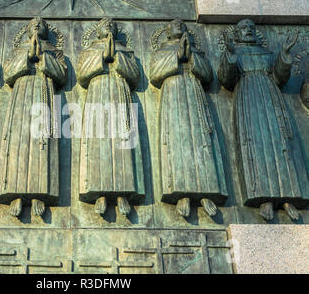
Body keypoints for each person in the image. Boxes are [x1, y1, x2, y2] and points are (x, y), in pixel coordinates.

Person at [218, 19, 308, 220]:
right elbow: (226, 79)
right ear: (238, 33)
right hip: (248, 98)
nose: (248, 31)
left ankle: (289, 197)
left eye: (251, 28)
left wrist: (284, 54)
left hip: (270, 96)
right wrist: (230, 55)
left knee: (282, 143)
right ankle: (264, 199)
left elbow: (278, 78)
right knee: (256, 146)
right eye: (243, 28)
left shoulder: (266, 53)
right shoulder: (234, 51)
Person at [150, 19, 227, 217]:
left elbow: (208, 75)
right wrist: (176, 57)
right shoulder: (160, 52)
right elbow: (155, 74)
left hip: (194, 90)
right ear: (167, 33)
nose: (179, 25)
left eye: (182, 25)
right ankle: (181, 193)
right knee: (177, 141)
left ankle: (206, 192)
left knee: (202, 140)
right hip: (173, 93)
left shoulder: (195, 51)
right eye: (174, 25)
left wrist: (191, 56)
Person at [0, 17, 67, 217]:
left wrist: (44, 58)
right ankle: (15, 193)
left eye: (42, 24)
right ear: (26, 31)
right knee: (18, 142)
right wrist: (27, 56)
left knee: (42, 143)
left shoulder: (55, 52)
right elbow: (8, 74)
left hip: (44, 93)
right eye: (33, 24)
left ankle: (40, 192)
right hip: (22, 95)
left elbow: (62, 75)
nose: (37, 26)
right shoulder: (18, 50)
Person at [77, 18, 144, 216]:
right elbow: (82, 75)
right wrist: (101, 57)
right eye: (104, 25)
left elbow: (134, 76)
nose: (108, 26)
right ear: (97, 31)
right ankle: (100, 193)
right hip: (98, 93)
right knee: (99, 143)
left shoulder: (125, 51)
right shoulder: (89, 51)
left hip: (119, 92)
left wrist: (118, 58)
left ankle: (124, 191)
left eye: (112, 25)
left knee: (123, 141)